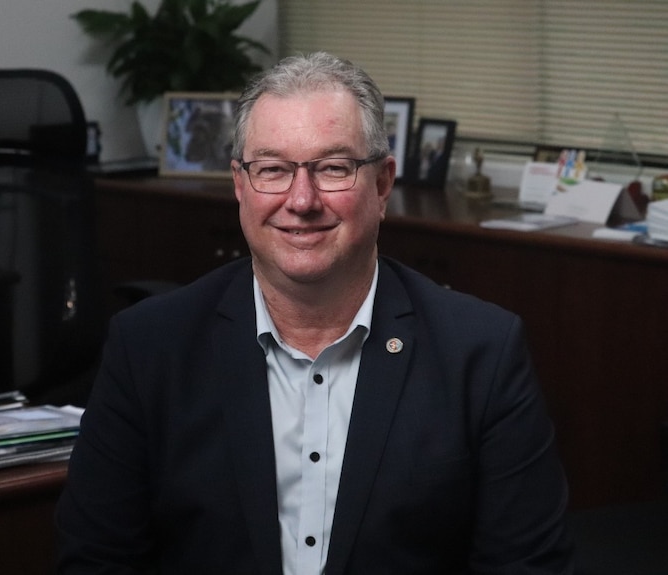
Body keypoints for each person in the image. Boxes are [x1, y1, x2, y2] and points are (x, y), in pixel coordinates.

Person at [55, 52, 573, 574]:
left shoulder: (480, 353)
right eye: (273, 170)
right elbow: (96, 561)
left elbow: (528, 567)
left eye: (332, 168)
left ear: (383, 184)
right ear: (240, 185)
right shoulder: (149, 347)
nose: (301, 200)